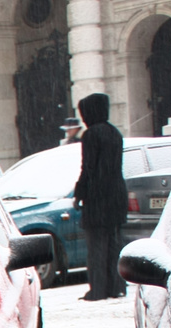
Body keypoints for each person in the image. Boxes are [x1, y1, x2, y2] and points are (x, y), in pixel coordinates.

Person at [71, 93, 128, 300]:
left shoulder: (91, 135)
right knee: (114, 244)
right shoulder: (115, 133)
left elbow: (88, 168)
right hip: (116, 195)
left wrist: (79, 193)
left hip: (98, 197)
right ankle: (116, 286)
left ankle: (98, 288)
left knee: (96, 247)